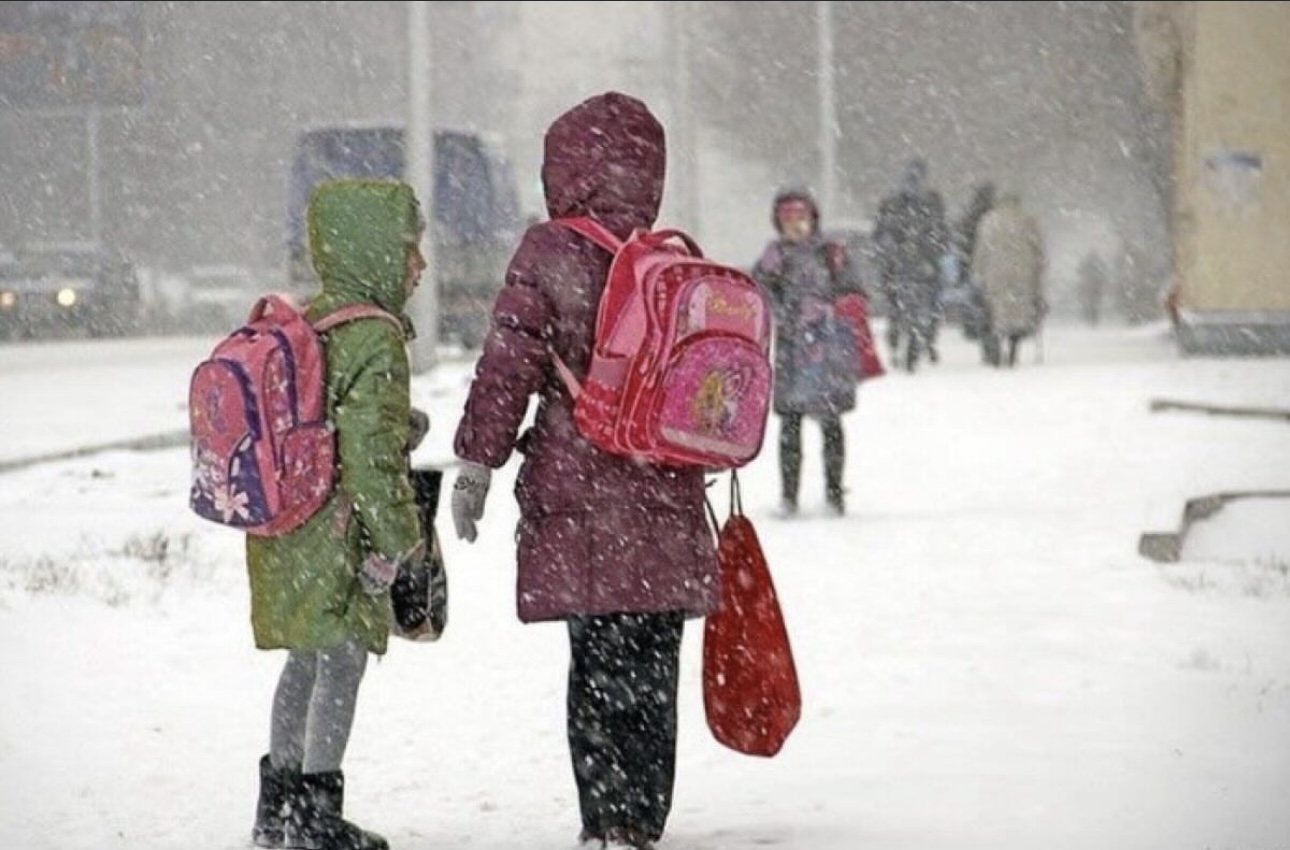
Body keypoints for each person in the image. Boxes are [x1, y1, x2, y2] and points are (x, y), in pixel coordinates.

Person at [448, 91, 719, 850]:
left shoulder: (548, 253)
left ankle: (605, 817)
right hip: (664, 490)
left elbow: (507, 366)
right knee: (654, 664)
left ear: (563, 169)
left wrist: (476, 462)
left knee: (597, 661)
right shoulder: (673, 260)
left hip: (582, 490)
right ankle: (643, 816)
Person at [248, 178, 428, 850]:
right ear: (376, 250)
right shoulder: (374, 336)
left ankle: (278, 810)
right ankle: (317, 816)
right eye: (410, 248)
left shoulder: (309, 321)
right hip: (340, 527)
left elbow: (325, 414)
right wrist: (401, 539)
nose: (420, 264)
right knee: (343, 659)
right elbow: (370, 457)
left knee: (304, 657)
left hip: (288, 521)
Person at [751, 187, 865, 517]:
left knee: (831, 423)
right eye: (787, 217)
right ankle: (789, 497)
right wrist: (787, 316)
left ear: (813, 218)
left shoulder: (831, 253)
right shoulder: (774, 257)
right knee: (790, 423)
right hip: (791, 351)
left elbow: (853, 292)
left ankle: (834, 495)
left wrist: (830, 311)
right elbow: (760, 292)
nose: (795, 223)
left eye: (801, 216)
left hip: (828, 351)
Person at [872, 157, 951, 371]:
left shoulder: (892, 204)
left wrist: (885, 256)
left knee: (898, 312)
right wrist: (934, 258)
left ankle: (899, 346)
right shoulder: (930, 204)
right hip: (920, 269)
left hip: (899, 268)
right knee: (920, 312)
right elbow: (941, 235)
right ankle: (914, 349)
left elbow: (879, 235)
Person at [971, 190, 1046, 367]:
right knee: (1018, 313)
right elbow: (1039, 251)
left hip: (995, 273)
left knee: (997, 311)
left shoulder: (989, 220)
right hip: (1022, 272)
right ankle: (1013, 348)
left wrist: (978, 272)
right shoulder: (1028, 220)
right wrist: (1039, 273)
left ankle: (997, 344)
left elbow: (981, 250)